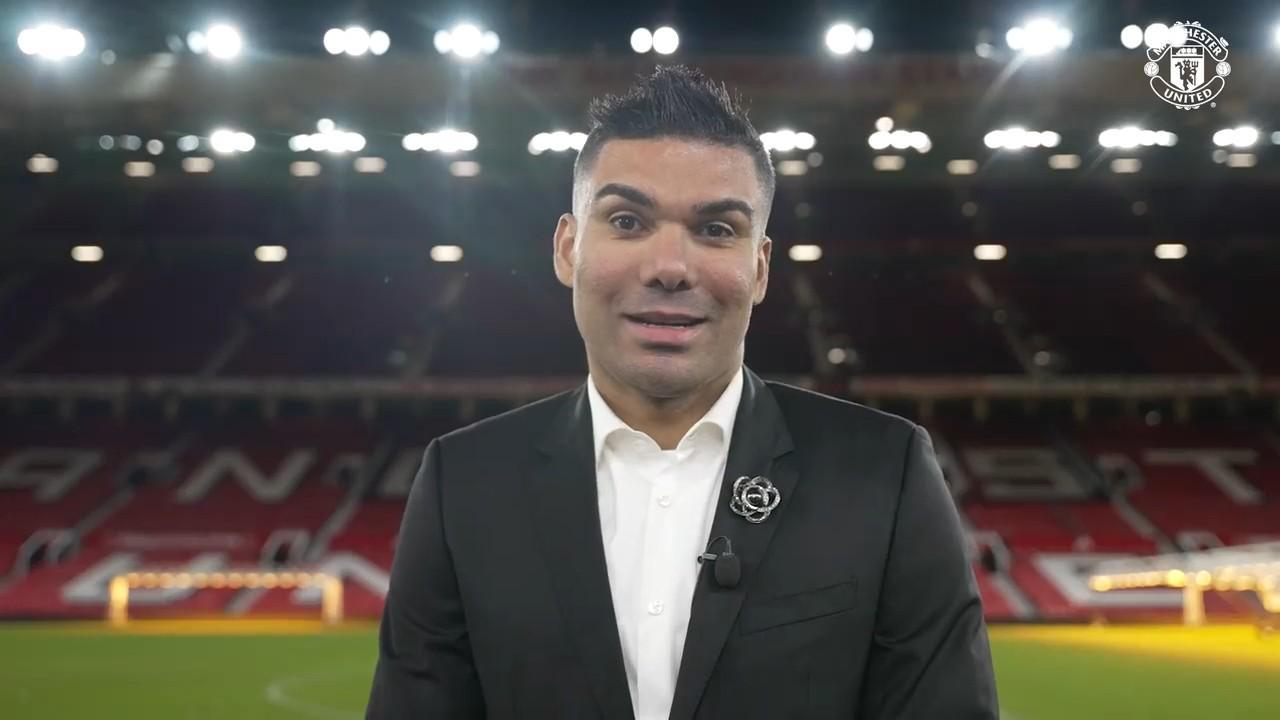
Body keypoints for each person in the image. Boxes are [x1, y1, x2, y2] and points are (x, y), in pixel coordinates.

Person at [366, 64, 998, 719]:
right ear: (568, 248)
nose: (670, 267)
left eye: (716, 229)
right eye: (627, 221)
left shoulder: (885, 473)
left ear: (760, 268)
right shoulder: (463, 482)